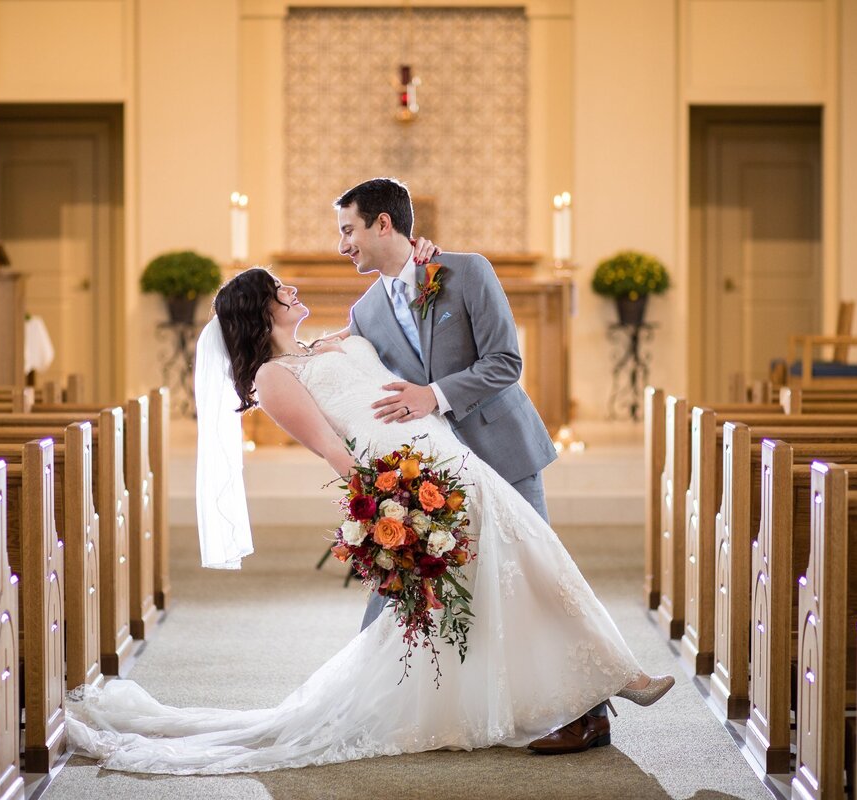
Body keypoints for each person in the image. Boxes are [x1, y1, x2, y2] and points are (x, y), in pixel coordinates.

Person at [64, 267, 675, 775]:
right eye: (281, 289)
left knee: (532, 559)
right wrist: (392, 501)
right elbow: (333, 449)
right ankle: (614, 678)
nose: (293, 291)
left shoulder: (328, 341)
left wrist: (425, 258)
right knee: (519, 568)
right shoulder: (273, 378)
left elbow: (402, 326)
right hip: (414, 477)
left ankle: (601, 682)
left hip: (455, 458)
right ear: (259, 307)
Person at [333, 177, 608, 753]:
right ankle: (361, 701)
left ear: (384, 224)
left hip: (504, 452)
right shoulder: (363, 314)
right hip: (437, 475)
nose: (343, 246)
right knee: (410, 582)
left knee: (538, 578)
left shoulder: (466, 272)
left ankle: (590, 714)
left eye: (349, 231)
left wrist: (434, 395)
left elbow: (505, 361)